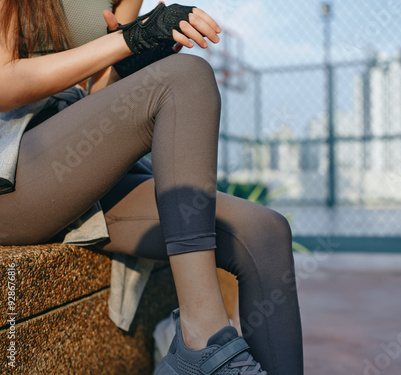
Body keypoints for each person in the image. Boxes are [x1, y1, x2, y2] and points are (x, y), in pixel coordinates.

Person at [0, 1, 303, 374]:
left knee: (264, 232)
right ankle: (201, 339)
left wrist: (130, 67)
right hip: (13, 171)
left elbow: (97, 93)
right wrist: (131, 39)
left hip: (73, 169)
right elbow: (3, 81)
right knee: (186, 76)